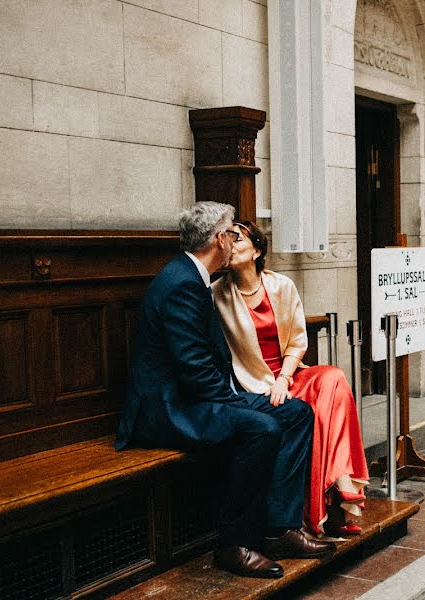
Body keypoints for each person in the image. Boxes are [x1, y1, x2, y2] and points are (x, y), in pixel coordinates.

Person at [116, 201, 335, 579]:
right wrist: (242, 404)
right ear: (220, 239)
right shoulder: (183, 282)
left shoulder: (193, 276)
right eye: (233, 232)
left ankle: (280, 528)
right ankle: (234, 543)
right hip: (168, 409)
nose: (236, 238)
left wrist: (247, 399)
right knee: (261, 427)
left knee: (297, 413)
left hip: (194, 397)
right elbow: (195, 372)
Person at [212, 220, 369, 537]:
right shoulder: (217, 295)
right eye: (226, 241)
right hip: (253, 387)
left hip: (287, 376)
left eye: (238, 240)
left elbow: (298, 341)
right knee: (310, 413)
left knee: (333, 380)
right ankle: (330, 509)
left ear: (257, 250)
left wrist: (284, 378)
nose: (230, 246)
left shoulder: (281, 286)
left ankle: (340, 496)